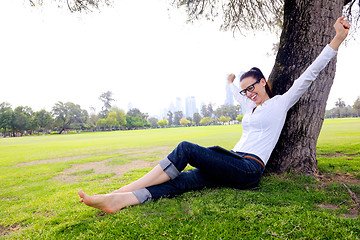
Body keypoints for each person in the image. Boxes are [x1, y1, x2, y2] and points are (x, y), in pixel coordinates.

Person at [78, 17, 350, 214]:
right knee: (182, 181)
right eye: (245, 91)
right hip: (231, 162)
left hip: (248, 169)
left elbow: (309, 75)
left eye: (252, 87)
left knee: (185, 148)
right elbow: (235, 94)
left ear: (264, 82)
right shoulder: (249, 106)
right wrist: (230, 82)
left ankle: (122, 190)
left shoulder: (280, 103)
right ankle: (120, 201)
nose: (248, 94)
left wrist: (337, 39)